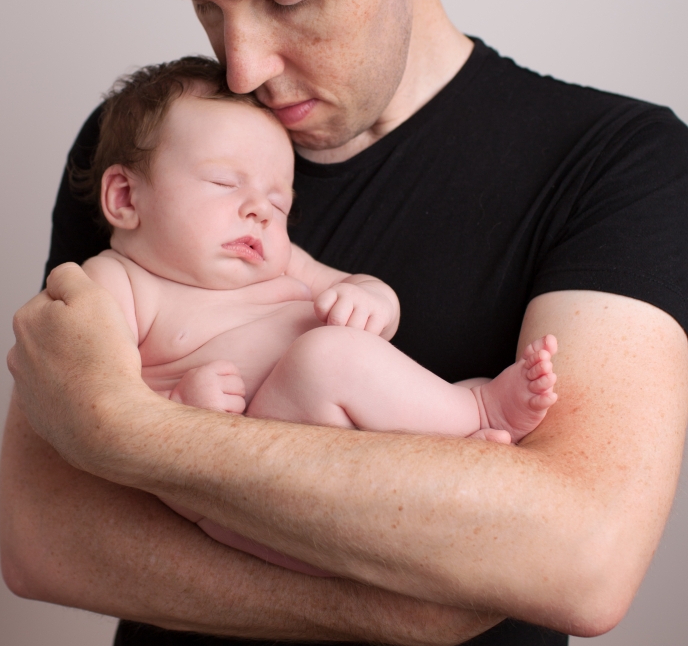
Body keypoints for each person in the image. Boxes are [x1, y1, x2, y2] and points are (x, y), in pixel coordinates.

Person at [2, 0, 688, 646]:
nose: (239, 65)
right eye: (198, 3)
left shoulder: (618, 163)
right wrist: (412, 604)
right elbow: (45, 537)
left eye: (285, 0)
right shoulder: (160, 146)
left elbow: (579, 558)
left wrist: (125, 430)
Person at [78, 55, 558, 573]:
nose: (259, 210)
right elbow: (96, 402)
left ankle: (450, 450)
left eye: (279, 203)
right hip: (246, 488)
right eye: (223, 184)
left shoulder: (281, 263)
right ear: (125, 197)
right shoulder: (114, 283)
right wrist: (175, 405)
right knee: (327, 356)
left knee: (341, 359)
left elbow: (355, 288)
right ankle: (479, 413)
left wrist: (374, 300)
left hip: (339, 454)